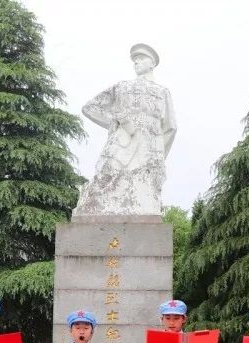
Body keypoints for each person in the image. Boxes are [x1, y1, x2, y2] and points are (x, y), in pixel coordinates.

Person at [74, 43, 177, 216]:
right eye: (134, 59)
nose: (136, 62)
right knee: (104, 184)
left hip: (148, 153)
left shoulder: (162, 92)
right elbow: (90, 108)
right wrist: (117, 123)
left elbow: (171, 128)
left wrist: (157, 155)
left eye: (141, 58)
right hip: (120, 147)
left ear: (152, 63)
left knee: (144, 199)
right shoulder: (122, 87)